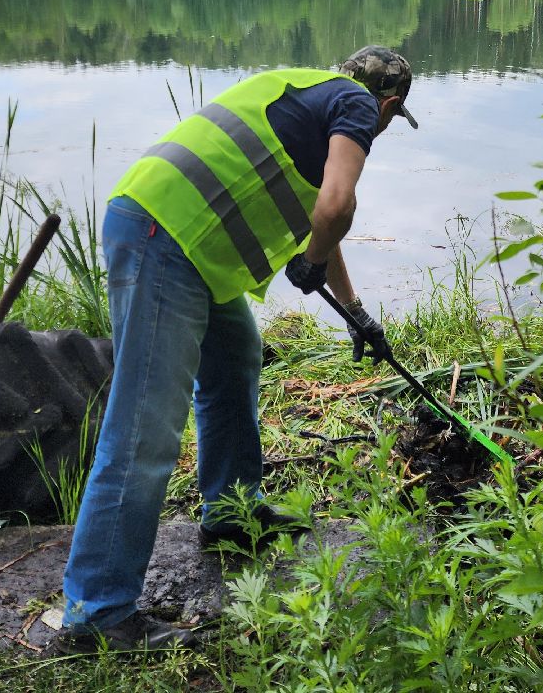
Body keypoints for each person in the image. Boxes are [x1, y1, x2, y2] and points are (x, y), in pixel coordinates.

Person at [52, 45, 418, 654]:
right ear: (389, 104)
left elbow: (316, 223)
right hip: (164, 238)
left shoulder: (308, 92)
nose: (379, 129)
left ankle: (232, 512)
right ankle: (97, 612)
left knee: (237, 357)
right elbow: (335, 209)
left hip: (181, 243)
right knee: (145, 428)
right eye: (387, 120)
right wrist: (316, 259)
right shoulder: (354, 108)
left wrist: (355, 313)